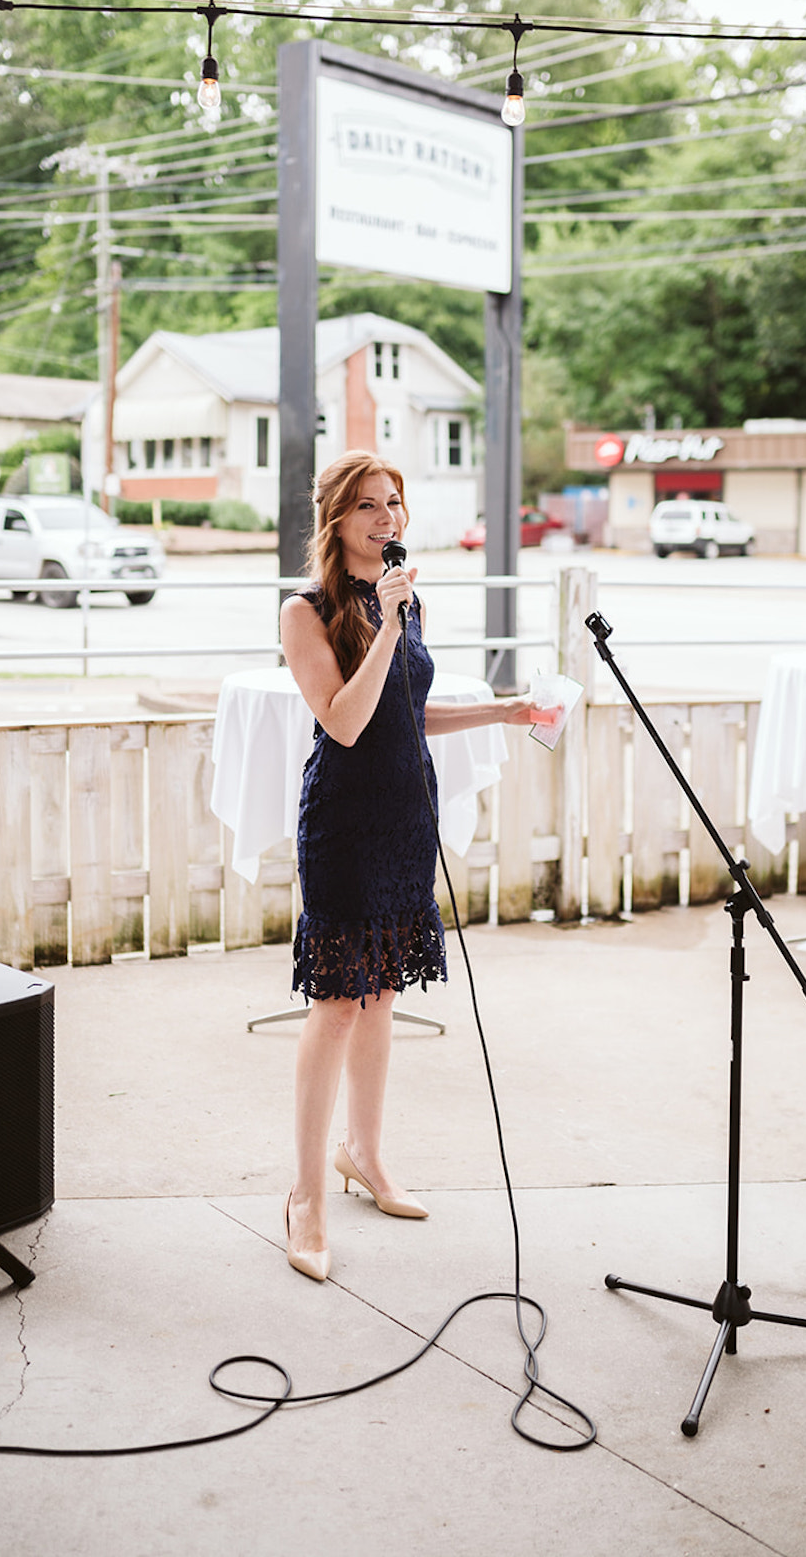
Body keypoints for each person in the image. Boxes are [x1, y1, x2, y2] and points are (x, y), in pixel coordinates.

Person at [278, 451, 541, 1282]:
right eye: (368, 506)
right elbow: (347, 721)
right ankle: (306, 1194)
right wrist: (389, 624)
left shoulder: (406, 599)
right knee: (337, 1006)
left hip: (404, 821)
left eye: (395, 503)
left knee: (381, 993)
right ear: (336, 519)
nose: (387, 519)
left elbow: (404, 711)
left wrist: (503, 708)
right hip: (345, 827)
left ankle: (367, 1153)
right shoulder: (307, 611)